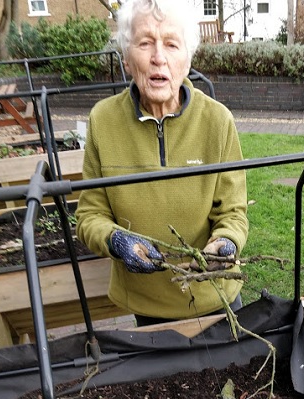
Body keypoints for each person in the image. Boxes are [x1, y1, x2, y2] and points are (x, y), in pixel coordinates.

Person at [75, 0, 248, 326]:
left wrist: (226, 243)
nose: (158, 57)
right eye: (144, 43)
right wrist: (116, 240)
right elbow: (89, 215)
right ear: (127, 58)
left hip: (215, 293)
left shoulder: (217, 121)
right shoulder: (103, 121)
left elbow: (233, 213)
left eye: (171, 43)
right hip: (147, 304)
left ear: (187, 59)